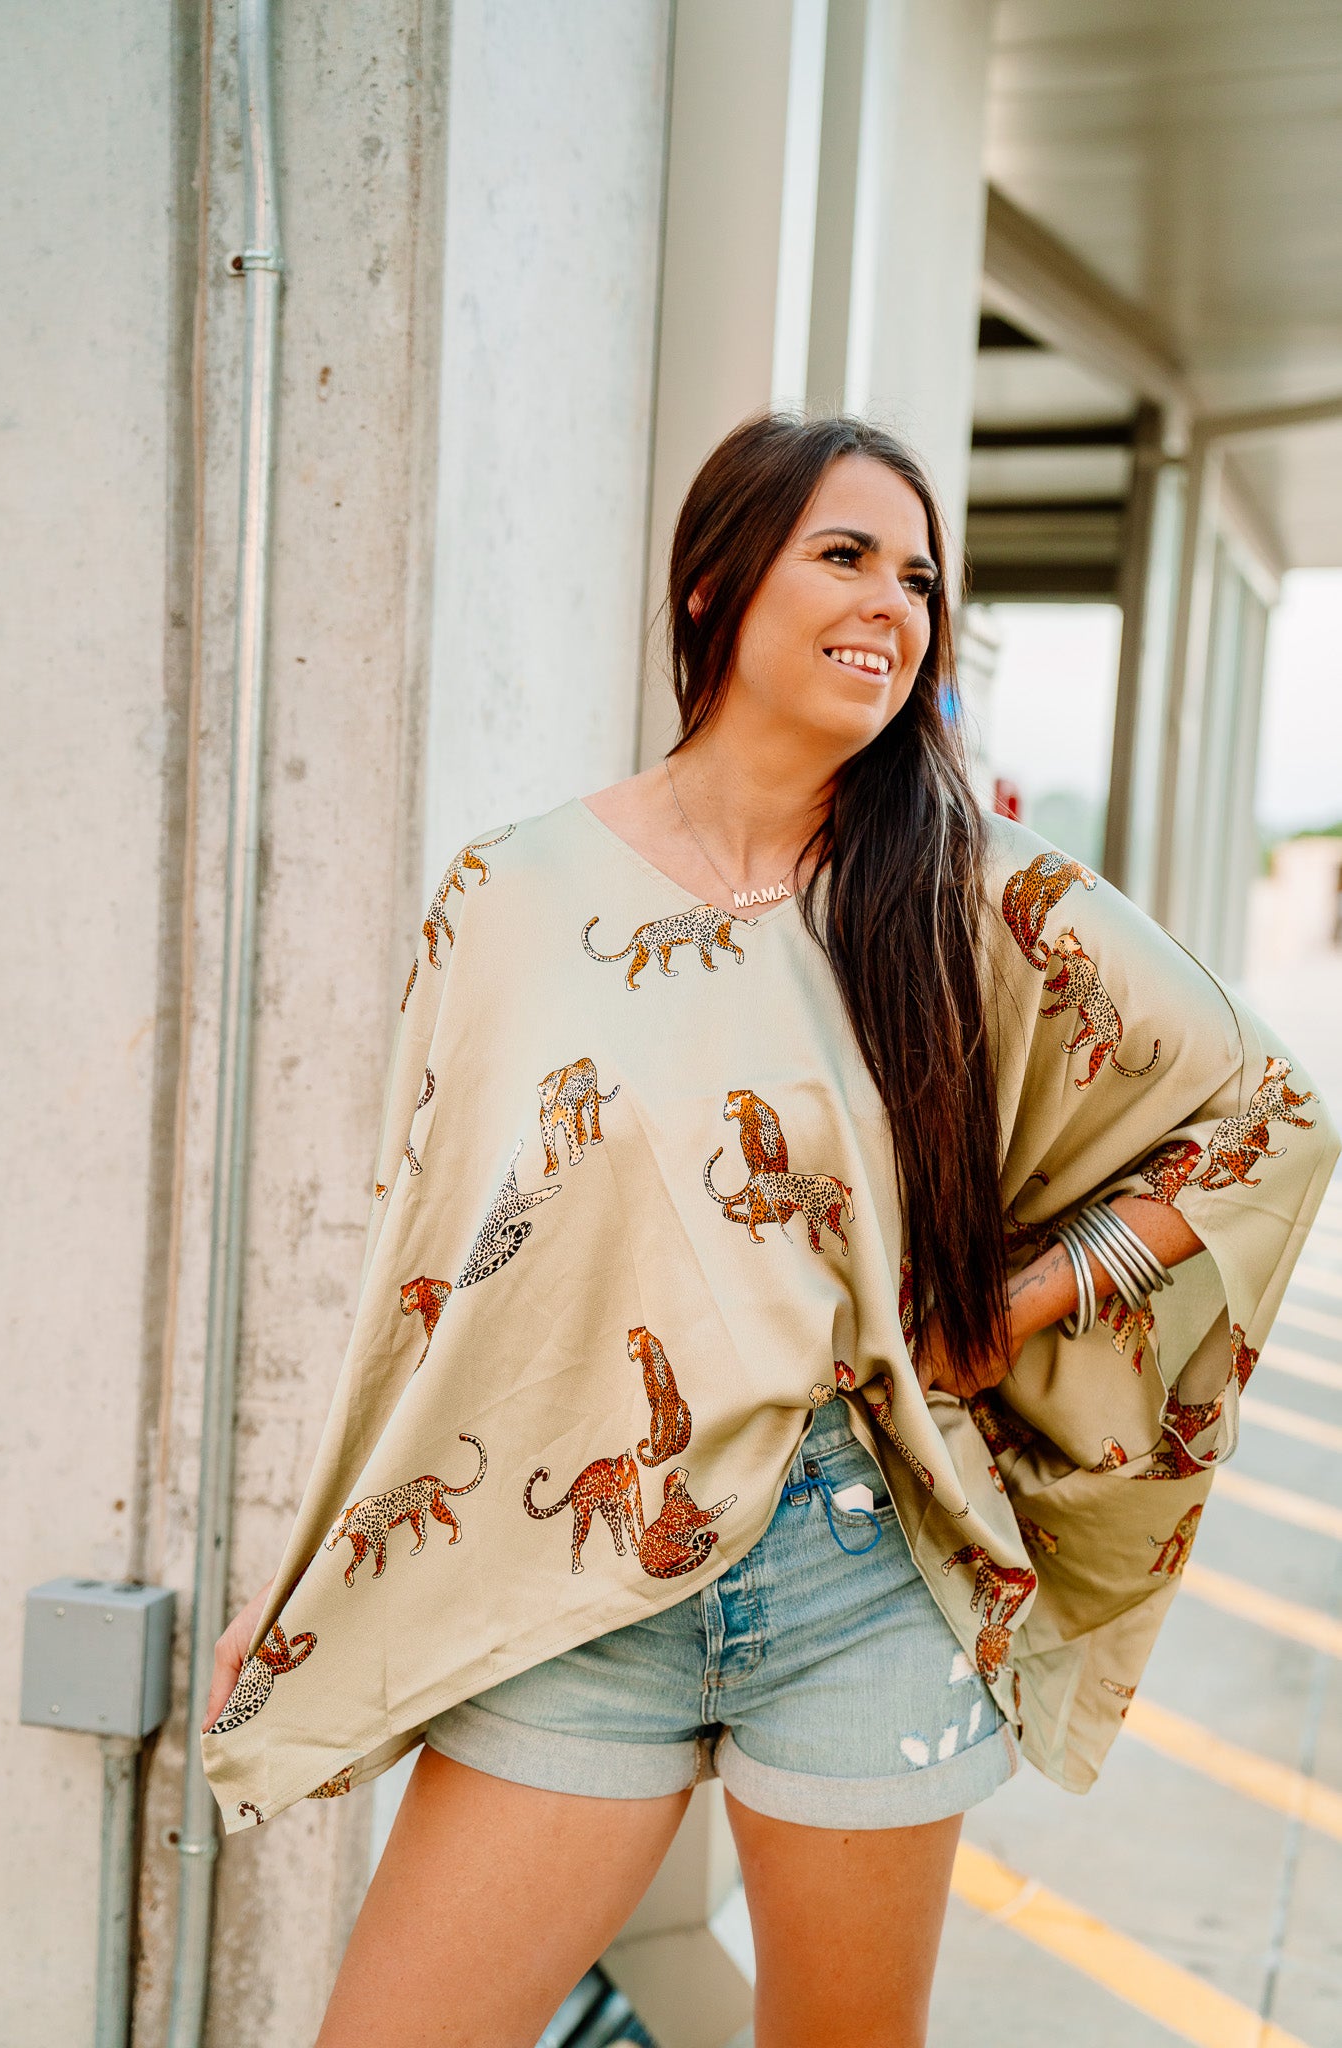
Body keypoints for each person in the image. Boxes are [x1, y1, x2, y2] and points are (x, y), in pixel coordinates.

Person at [202, 414, 1337, 2048]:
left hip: (860, 1563)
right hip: (576, 1574)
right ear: (714, 587)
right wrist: (326, 1559)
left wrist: (1011, 1304)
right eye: (845, 554)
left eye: (921, 576)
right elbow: (436, 1273)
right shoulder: (509, 898)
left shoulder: (983, 899)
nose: (893, 600)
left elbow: (1268, 1119)